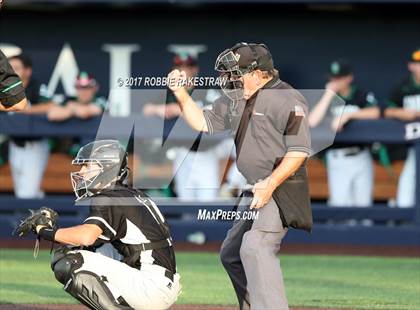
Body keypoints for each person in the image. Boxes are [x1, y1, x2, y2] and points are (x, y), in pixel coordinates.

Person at [168, 42, 311, 310]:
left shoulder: (287, 98)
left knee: (255, 247)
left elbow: (299, 151)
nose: (229, 79)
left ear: (258, 74)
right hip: (253, 188)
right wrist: (181, 94)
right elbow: (203, 123)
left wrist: (270, 183)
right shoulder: (236, 98)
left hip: (281, 187)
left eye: (236, 73)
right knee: (232, 254)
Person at [16, 140, 181, 310]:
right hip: (158, 280)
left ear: (107, 169)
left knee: (70, 261)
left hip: (151, 286)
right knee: (80, 250)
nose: (81, 172)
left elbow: (86, 236)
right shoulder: (128, 193)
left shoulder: (108, 197)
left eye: (88, 166)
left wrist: (45, 231)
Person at [144, 53, 243, 200]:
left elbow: (215, 110)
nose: (184, 70)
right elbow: (146, 109)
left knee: (208, 203)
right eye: (179, 67)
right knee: (185, 202)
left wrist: (181, 109)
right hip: (183, 152)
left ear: (195, 69)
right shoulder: (169, 92)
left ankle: (231, 186)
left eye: (187, 67)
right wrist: (160, 109)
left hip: (207, 150)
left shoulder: (206, 89)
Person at [308, 60, 379, 207]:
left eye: (339, 78)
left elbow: (376, 112)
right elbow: (312, 121)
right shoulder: (326, 99)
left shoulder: (360, 94)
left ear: (349, 78)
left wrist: (348, 116)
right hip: (338, 157)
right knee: (340, 206)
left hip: (361, 155)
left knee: (364, 205)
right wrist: (328, 95)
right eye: (333, 78)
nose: (335, 82)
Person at [7, 54, 53, 198]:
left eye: (16, 68)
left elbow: (52, 105)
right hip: (14, 145)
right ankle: (37, 219)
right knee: (21, 190)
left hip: (34, 146)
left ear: (27, 71)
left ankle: (31, 219)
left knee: (27, 194)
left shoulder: (38, 88)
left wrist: (27, 110)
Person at [385, 49, 420, 208]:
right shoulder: (403, 87)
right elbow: (385, 110)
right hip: (413, 147)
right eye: (417, 64)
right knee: (407, 186)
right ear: (410, 66)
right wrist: (401, 113)